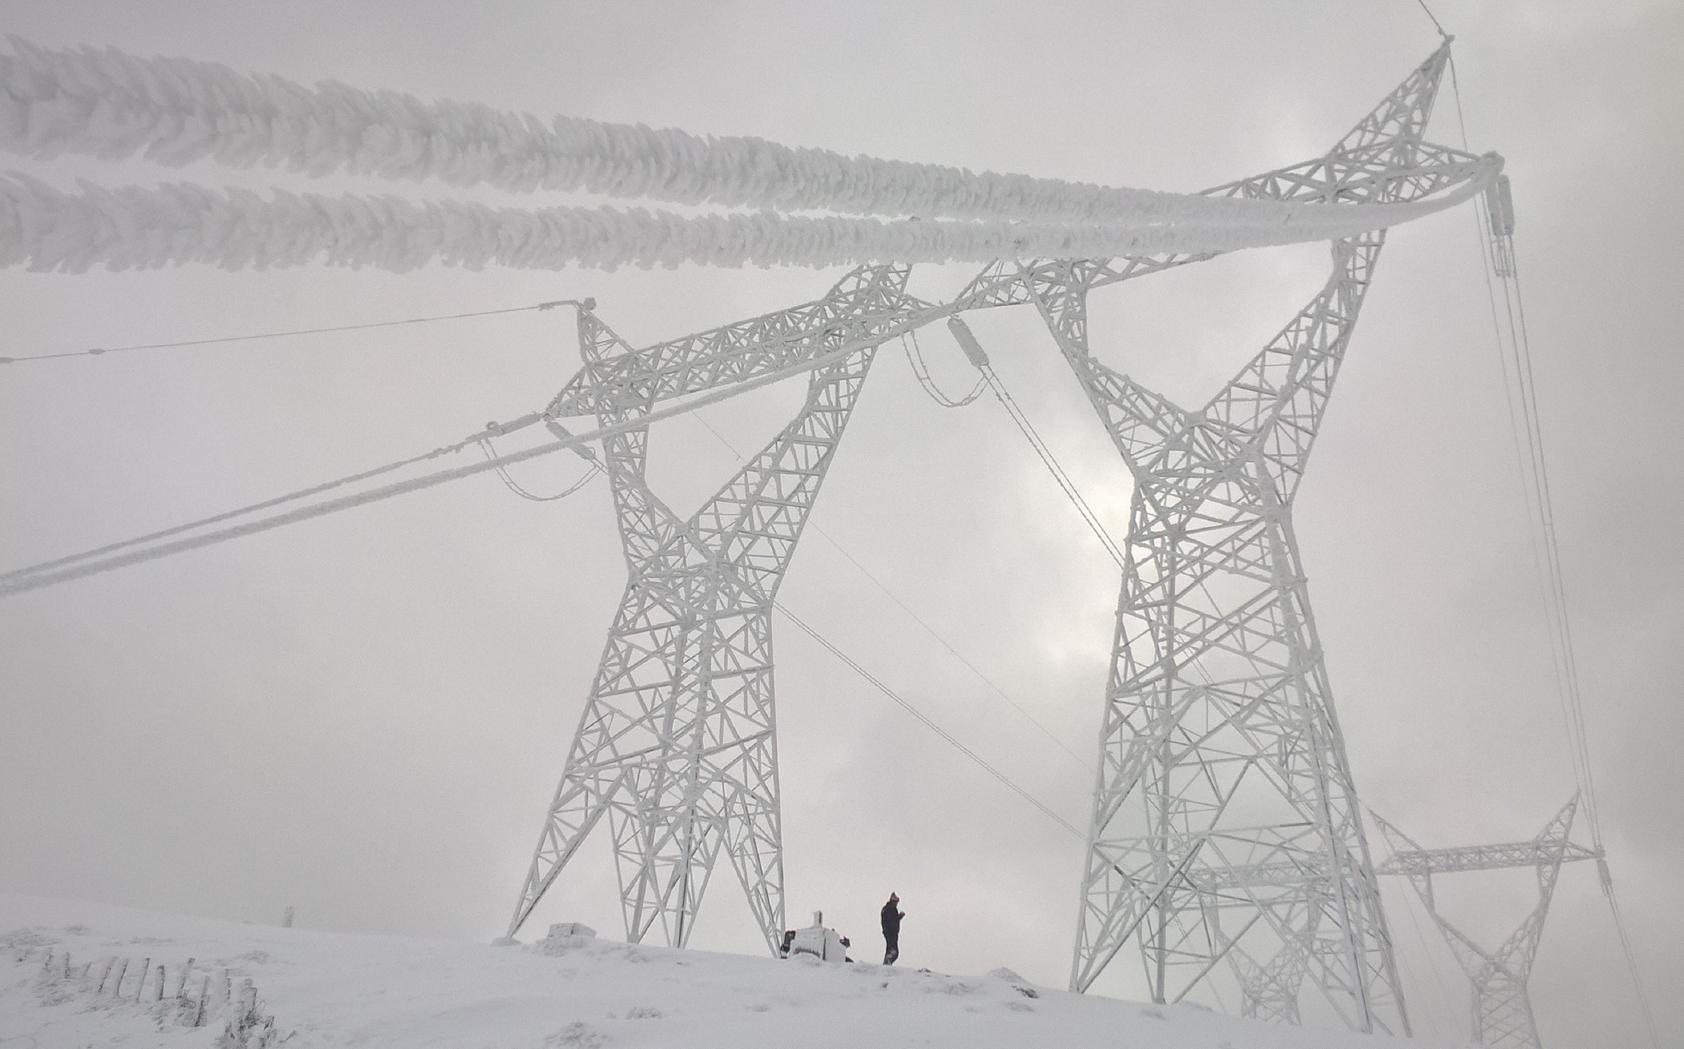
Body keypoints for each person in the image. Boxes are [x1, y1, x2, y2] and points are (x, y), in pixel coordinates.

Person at [880, 893, 904, 965]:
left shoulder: (888, 909)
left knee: (891, 949)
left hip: (890, 932)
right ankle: (887, 962)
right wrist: (899, 917)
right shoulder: (889, 909)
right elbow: (891, 921)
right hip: (890, 932)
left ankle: (886, 964)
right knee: (893, 951)